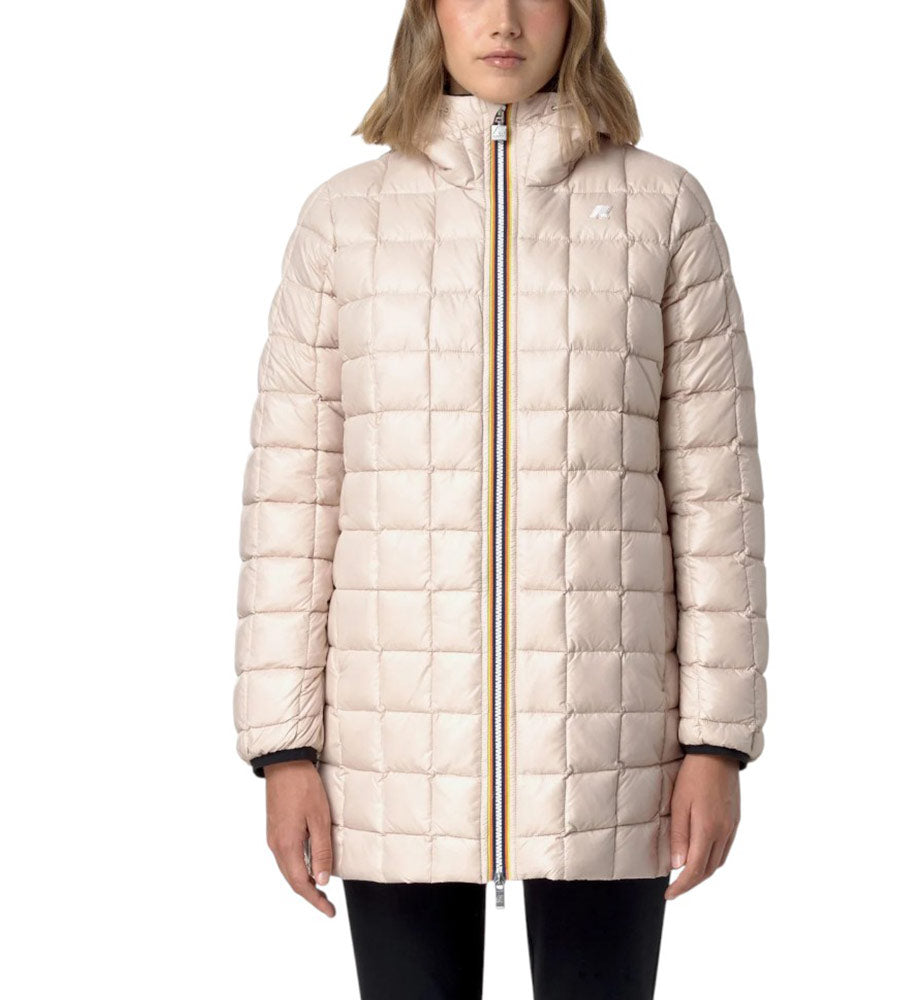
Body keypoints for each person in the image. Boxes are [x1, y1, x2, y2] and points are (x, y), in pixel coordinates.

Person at [232, 1, 768, 997]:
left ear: (579, 14)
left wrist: (716, 742)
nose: (506, 19)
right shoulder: (343, 220)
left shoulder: (662, 209)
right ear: (429, 12)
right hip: (389, 744)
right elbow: (291, 503)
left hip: (616, 743)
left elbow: (716, 500)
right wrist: (285, 749)